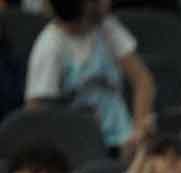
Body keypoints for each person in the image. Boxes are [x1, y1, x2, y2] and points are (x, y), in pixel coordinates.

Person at [24, 0, 155, 155]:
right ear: (85, 6)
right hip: (77, 147)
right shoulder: (50, 45)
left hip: (122, 139)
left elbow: (143, 81)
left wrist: (138, 133)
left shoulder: (107, 28)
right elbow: (36, 113)